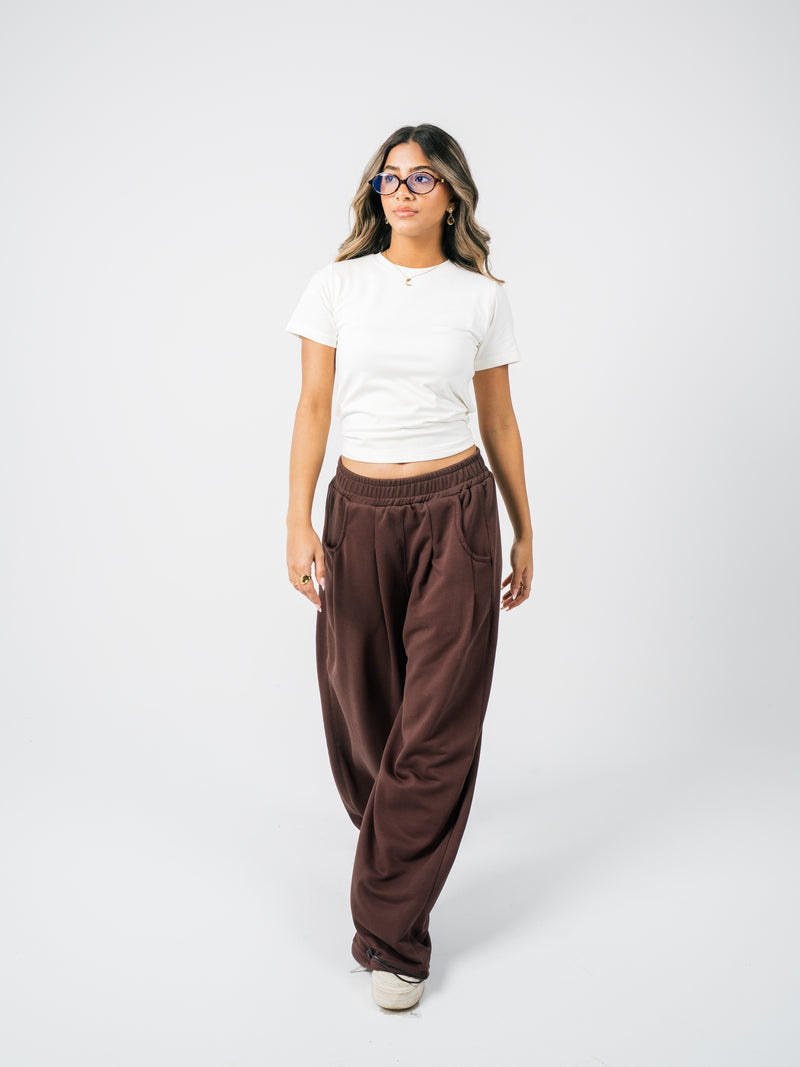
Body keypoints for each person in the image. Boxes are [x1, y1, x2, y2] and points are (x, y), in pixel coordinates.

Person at [285, 123, 533, 1011]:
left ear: (452, 193)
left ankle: (391, 936)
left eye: (422, 178)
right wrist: (297, 521)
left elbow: (498, 420)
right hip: (357, 513)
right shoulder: (337, 285)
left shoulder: (480, 296)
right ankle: (395, 845)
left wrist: (525, 528)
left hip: (456, 511)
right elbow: (314, 407)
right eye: (390, 177)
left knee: (435, 723)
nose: (402, 190)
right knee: (363, 712)